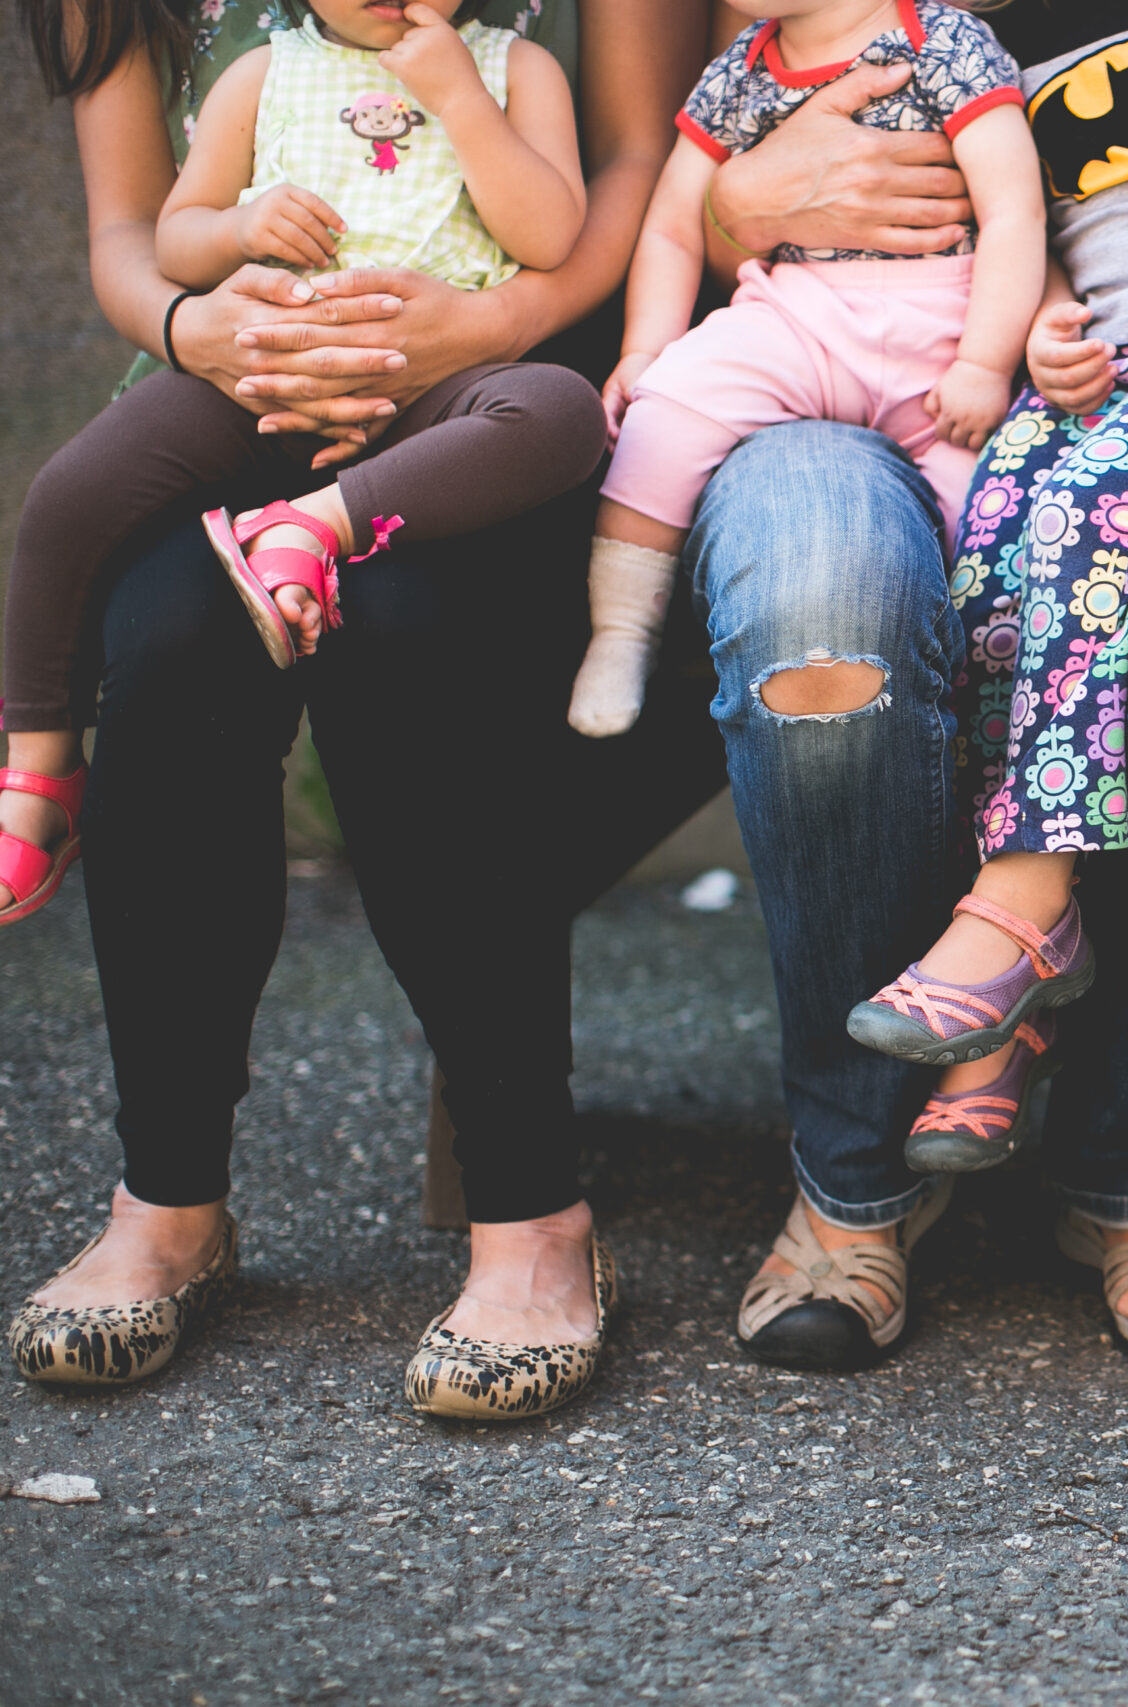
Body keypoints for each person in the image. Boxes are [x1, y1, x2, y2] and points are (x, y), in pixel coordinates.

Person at [4, 0, 727, 1418]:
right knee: (165, 643)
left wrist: (489, 321)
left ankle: (533, 1216)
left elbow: (646, 151)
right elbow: (127, 231)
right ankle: (168, 1199)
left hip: (507, 376)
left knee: (404, 635)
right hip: (240, 382)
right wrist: (195, 325)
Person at [692, 0, 1128, 1373]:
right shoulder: (952, 37)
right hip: (1030, 377)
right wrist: (735, 204)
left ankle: (1108, 1094)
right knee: (963, 572)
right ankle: (894, 1135)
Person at [0, 0, 606, 928]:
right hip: (258, 383)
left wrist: (463, 101)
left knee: (562, 412)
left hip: (435, 390)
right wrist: (241, 229)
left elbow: (552, 236)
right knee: (69, 493)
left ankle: (317, 521)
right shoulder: (262, 74)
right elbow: (174, 235)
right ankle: (39, 764)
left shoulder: (517, 72)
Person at [566, 0, 1047, 737]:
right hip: (799, 319)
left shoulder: (942, 39)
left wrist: (986, 359)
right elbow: (671, 224)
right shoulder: (741, 69)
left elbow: (1015, 207)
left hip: (947, 338)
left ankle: (977, 726)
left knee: (992, 537)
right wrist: (643, 351)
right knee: (663, 414)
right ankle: (624, 630)